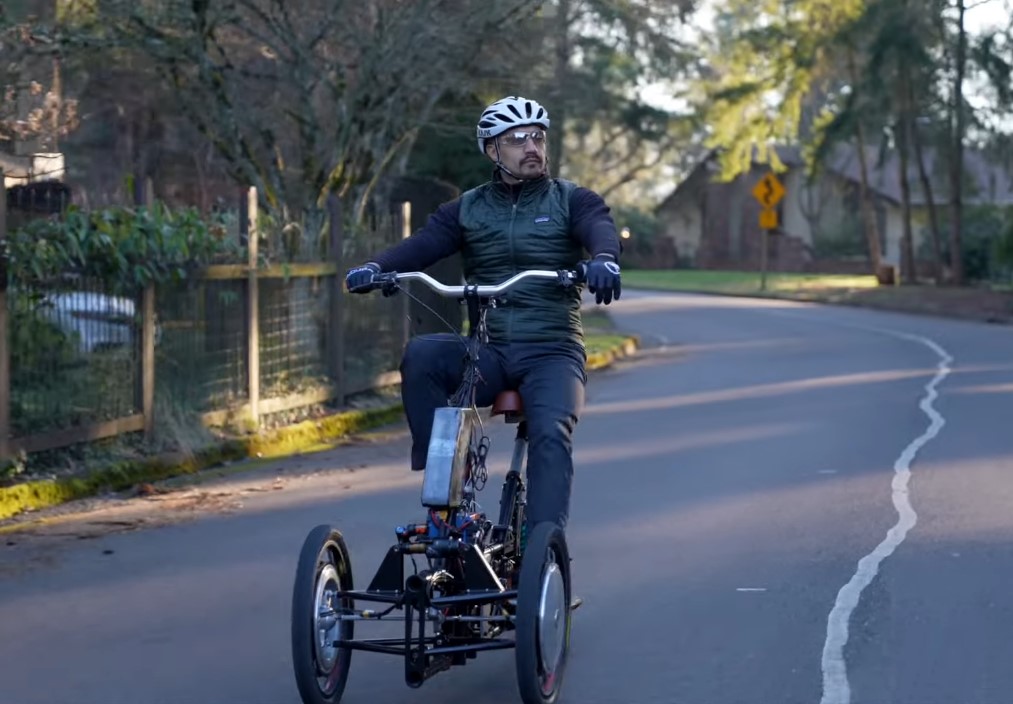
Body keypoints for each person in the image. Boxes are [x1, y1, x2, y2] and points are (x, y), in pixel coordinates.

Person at [344, 95, 622, 534]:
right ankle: (445, 495)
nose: (532, 147)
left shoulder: (572, 199)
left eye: (537, 137)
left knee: (551, 434)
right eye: (517, 140)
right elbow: (424, 244)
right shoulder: (467, 208)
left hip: (553, 351)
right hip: (488, 351)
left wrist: (604, 259)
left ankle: (543, 543)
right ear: (493, 151)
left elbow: (599, 230)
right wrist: (377, 268)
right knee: (423, 355)